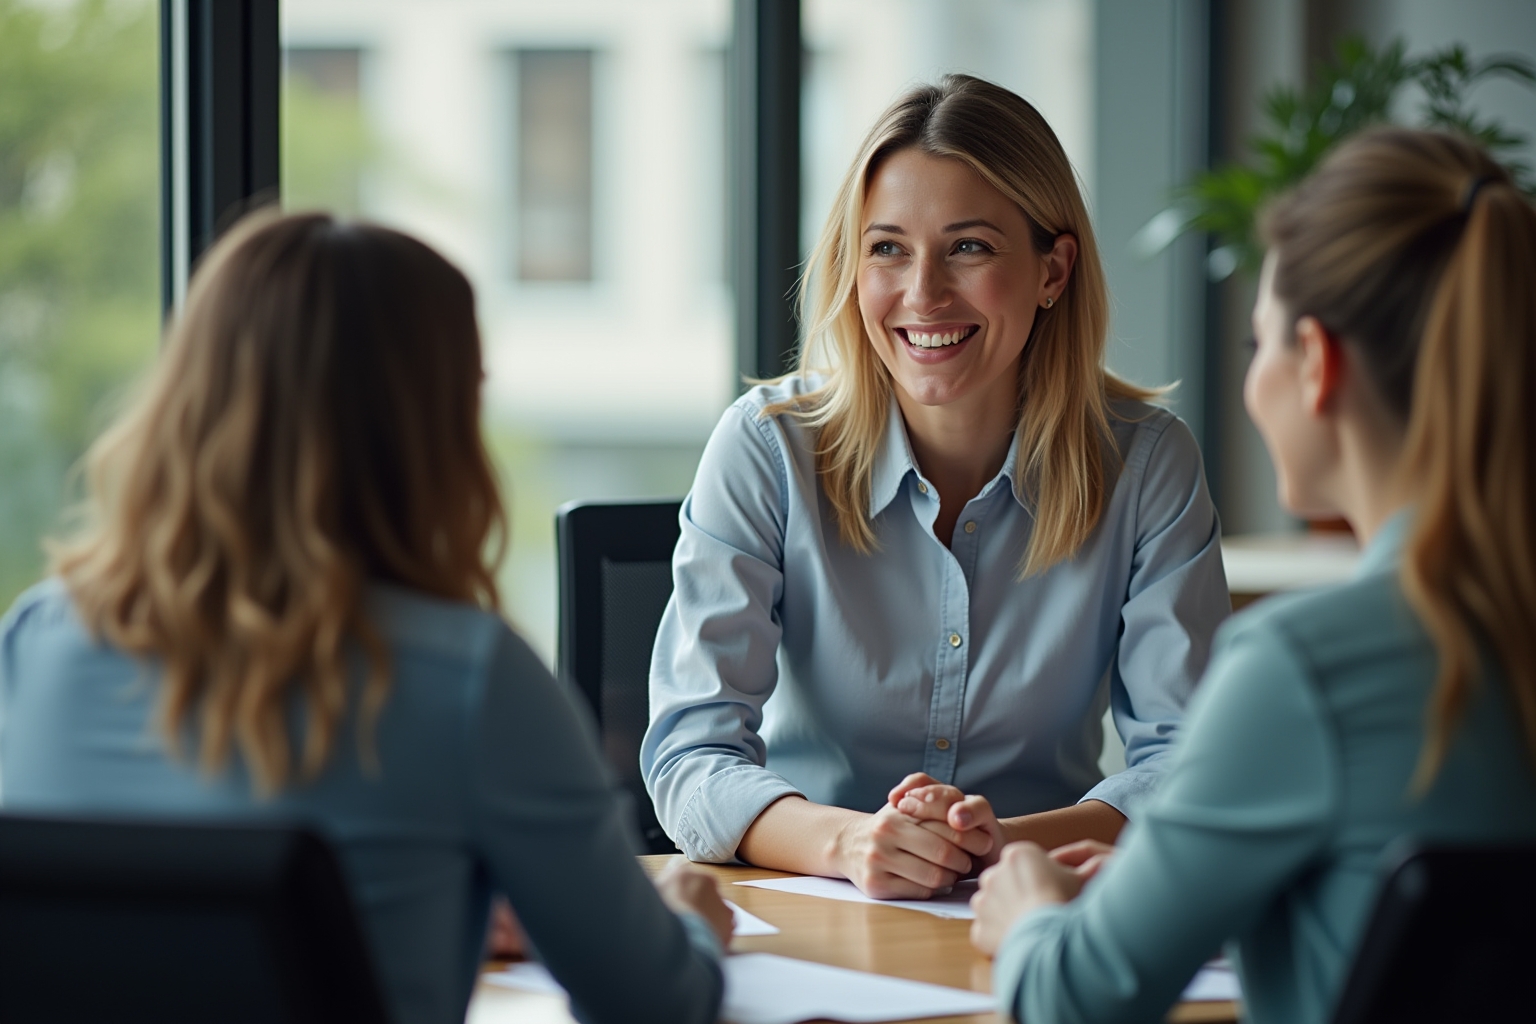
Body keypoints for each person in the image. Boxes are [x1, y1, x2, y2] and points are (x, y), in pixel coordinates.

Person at [0, 213, 730, 1024]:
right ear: (430, 425)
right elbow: (655, 1005)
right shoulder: (468, 679)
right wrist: (691, 925)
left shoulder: (37, 640)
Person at [961, 127, 1536, 1023]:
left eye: (1256, 345)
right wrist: (1192, 891)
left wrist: (1029, 908)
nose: (1250, 380)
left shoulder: (1306, 669)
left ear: (1317, 366)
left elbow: (1070, 1002)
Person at [642, 74, 1230, 898]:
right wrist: (854, 844)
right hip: (813, 916)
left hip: (1034, 911)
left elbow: (1191, 764)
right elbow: (689, 758)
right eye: (887, 248)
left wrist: (999, 848)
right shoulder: (766, 447)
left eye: (969, 247)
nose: (923, 294)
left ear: (1053, 271)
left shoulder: (1146, 464)